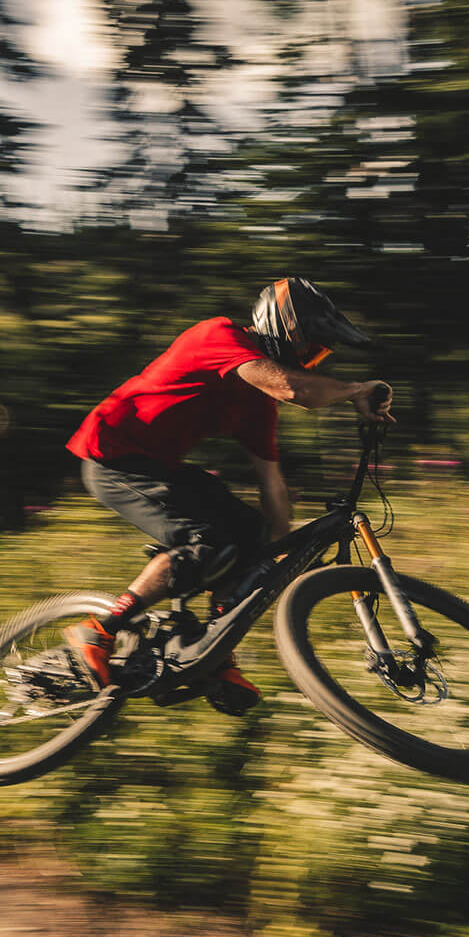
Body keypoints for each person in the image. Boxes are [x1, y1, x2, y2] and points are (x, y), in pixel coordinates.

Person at [63, 278, 395, 714]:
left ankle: (210, 655)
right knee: (206, 540)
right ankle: (100, 630)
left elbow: (271, 482)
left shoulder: (256, 406)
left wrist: (274, 556)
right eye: (310, 350)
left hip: (159, 467)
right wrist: (355, 390)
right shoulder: (219, 336)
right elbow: (293, 388)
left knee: (248, 534)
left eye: (320, 356)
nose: (311, 362)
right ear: (283, 327)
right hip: (110, 455)